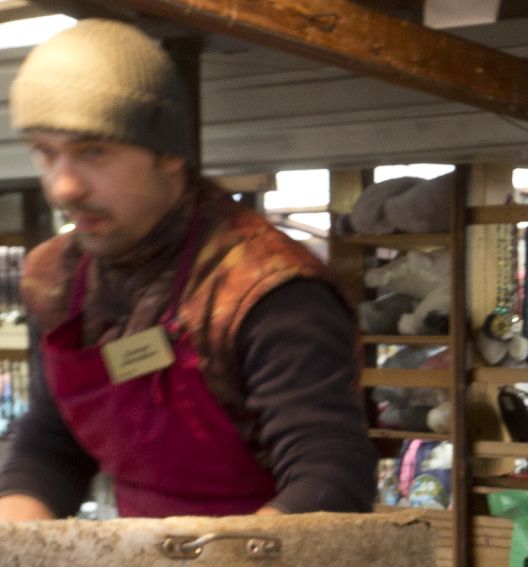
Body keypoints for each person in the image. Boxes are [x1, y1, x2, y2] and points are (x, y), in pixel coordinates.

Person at [0, 19, 374, 520]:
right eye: (46, 153)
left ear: (169, 154)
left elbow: (329, 477)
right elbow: (51, 445)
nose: (63, 187)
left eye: (94, 151)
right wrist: (15, 546)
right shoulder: (56, 280)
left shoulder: (266, 290)